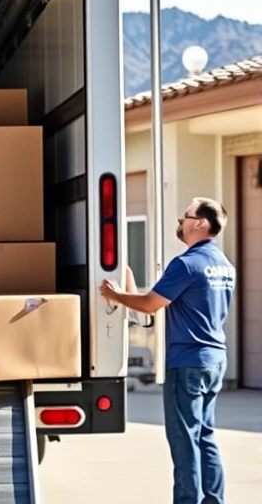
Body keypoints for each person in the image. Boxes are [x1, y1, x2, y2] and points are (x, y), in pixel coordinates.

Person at [99, 197, 234, 504]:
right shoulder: (225, 266)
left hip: (187, 362)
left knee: (184, 439)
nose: (180, 221)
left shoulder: (187, 263)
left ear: (200, 223)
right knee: (205, 436)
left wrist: (115, 295)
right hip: (214, 359)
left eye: (185, 216)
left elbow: (150, 304)